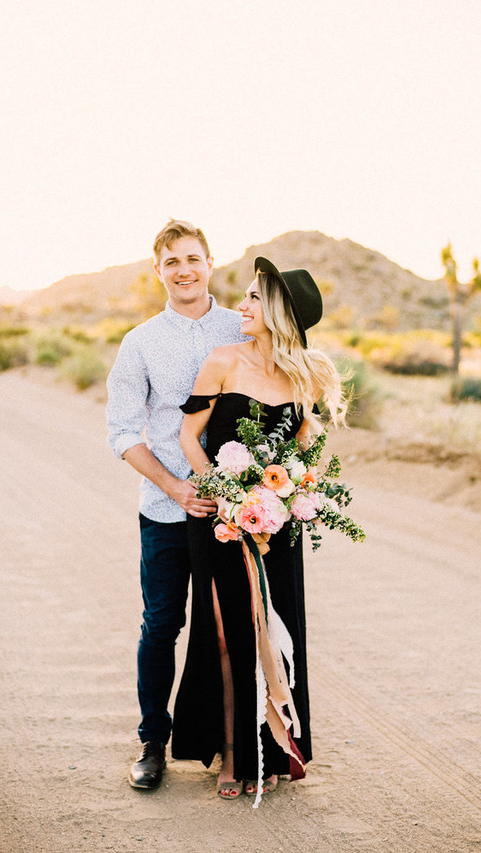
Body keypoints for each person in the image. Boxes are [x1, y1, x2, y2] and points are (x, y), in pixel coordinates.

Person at [171, 256, 346, 803]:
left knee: (277, 634)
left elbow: (304, 448)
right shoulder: (222, 360)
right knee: (225, 635)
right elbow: (188, 438)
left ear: (276, 312)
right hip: (222, 522)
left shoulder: (308, 373)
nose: (240, 307)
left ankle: (272, 750)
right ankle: (232, 753)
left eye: (251, 299)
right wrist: (223, 493)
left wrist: (294, 491)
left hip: (278, 527)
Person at [106, 219, 248, 789]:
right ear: (158, 270)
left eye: (193, 259)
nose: (184, 271)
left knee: (229, 628)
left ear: (210, 262)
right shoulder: (139, 342)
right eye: (172, 262)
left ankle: (230, 743)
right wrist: (174, 486)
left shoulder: (242, 329)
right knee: (162, 625)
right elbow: (121, 432)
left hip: (236, 514)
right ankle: (152, 742)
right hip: (165, 511)